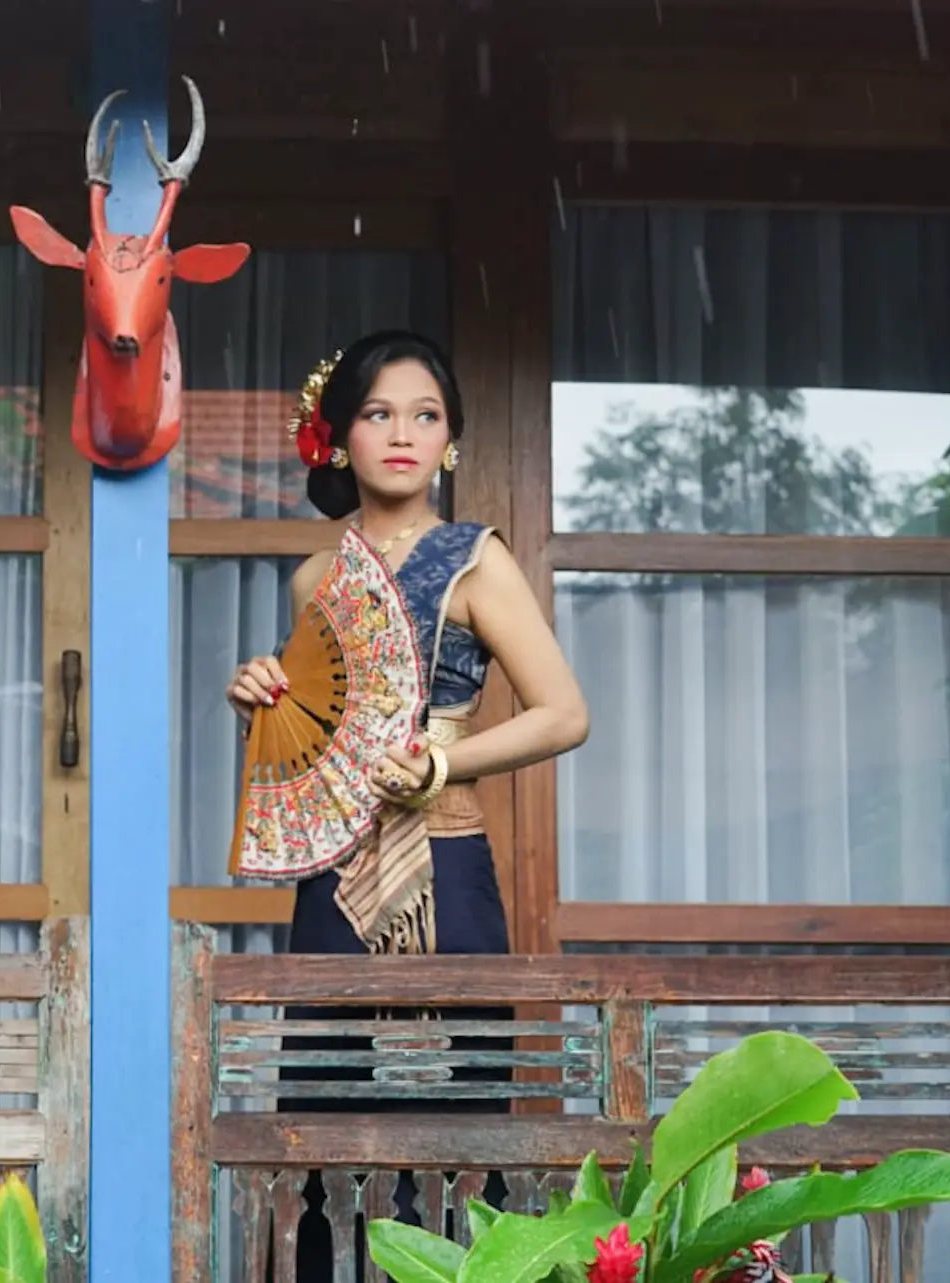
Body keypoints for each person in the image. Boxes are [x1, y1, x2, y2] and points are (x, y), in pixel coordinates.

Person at [225, 330, 589, 1279]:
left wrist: (443, 763)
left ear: (449, 440)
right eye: (378, 413)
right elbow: (317, 740)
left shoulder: (475, 560)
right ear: (339, 435)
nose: (402, 434)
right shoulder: (316, 578)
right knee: (321, 1126)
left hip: (445, 873)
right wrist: (261, 703)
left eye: (425, 416)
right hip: (334, 878)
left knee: (453, 1129)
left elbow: (564, 713)